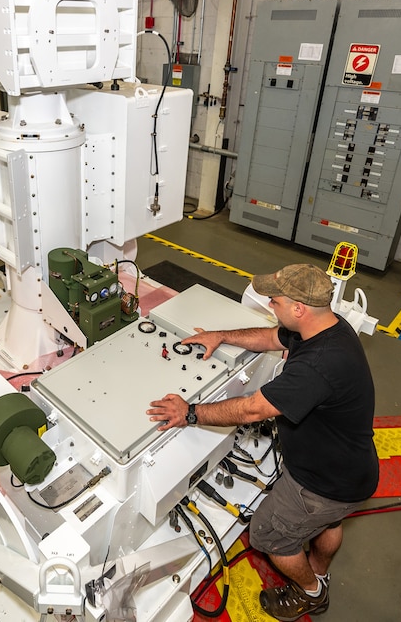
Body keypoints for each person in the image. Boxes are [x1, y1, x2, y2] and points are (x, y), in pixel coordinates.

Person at [147, 263, 378, 622]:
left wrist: (189, 412)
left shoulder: (317, 366)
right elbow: (272, 337)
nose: (270, 304)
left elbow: (253, 411)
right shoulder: (327, 328)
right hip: (351, 471)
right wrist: (220, 336)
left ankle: (311, 592)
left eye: (276, 300)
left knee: (269, 535)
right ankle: (319, 572)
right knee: (329, 524)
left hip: (320, 484)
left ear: (299, 308)